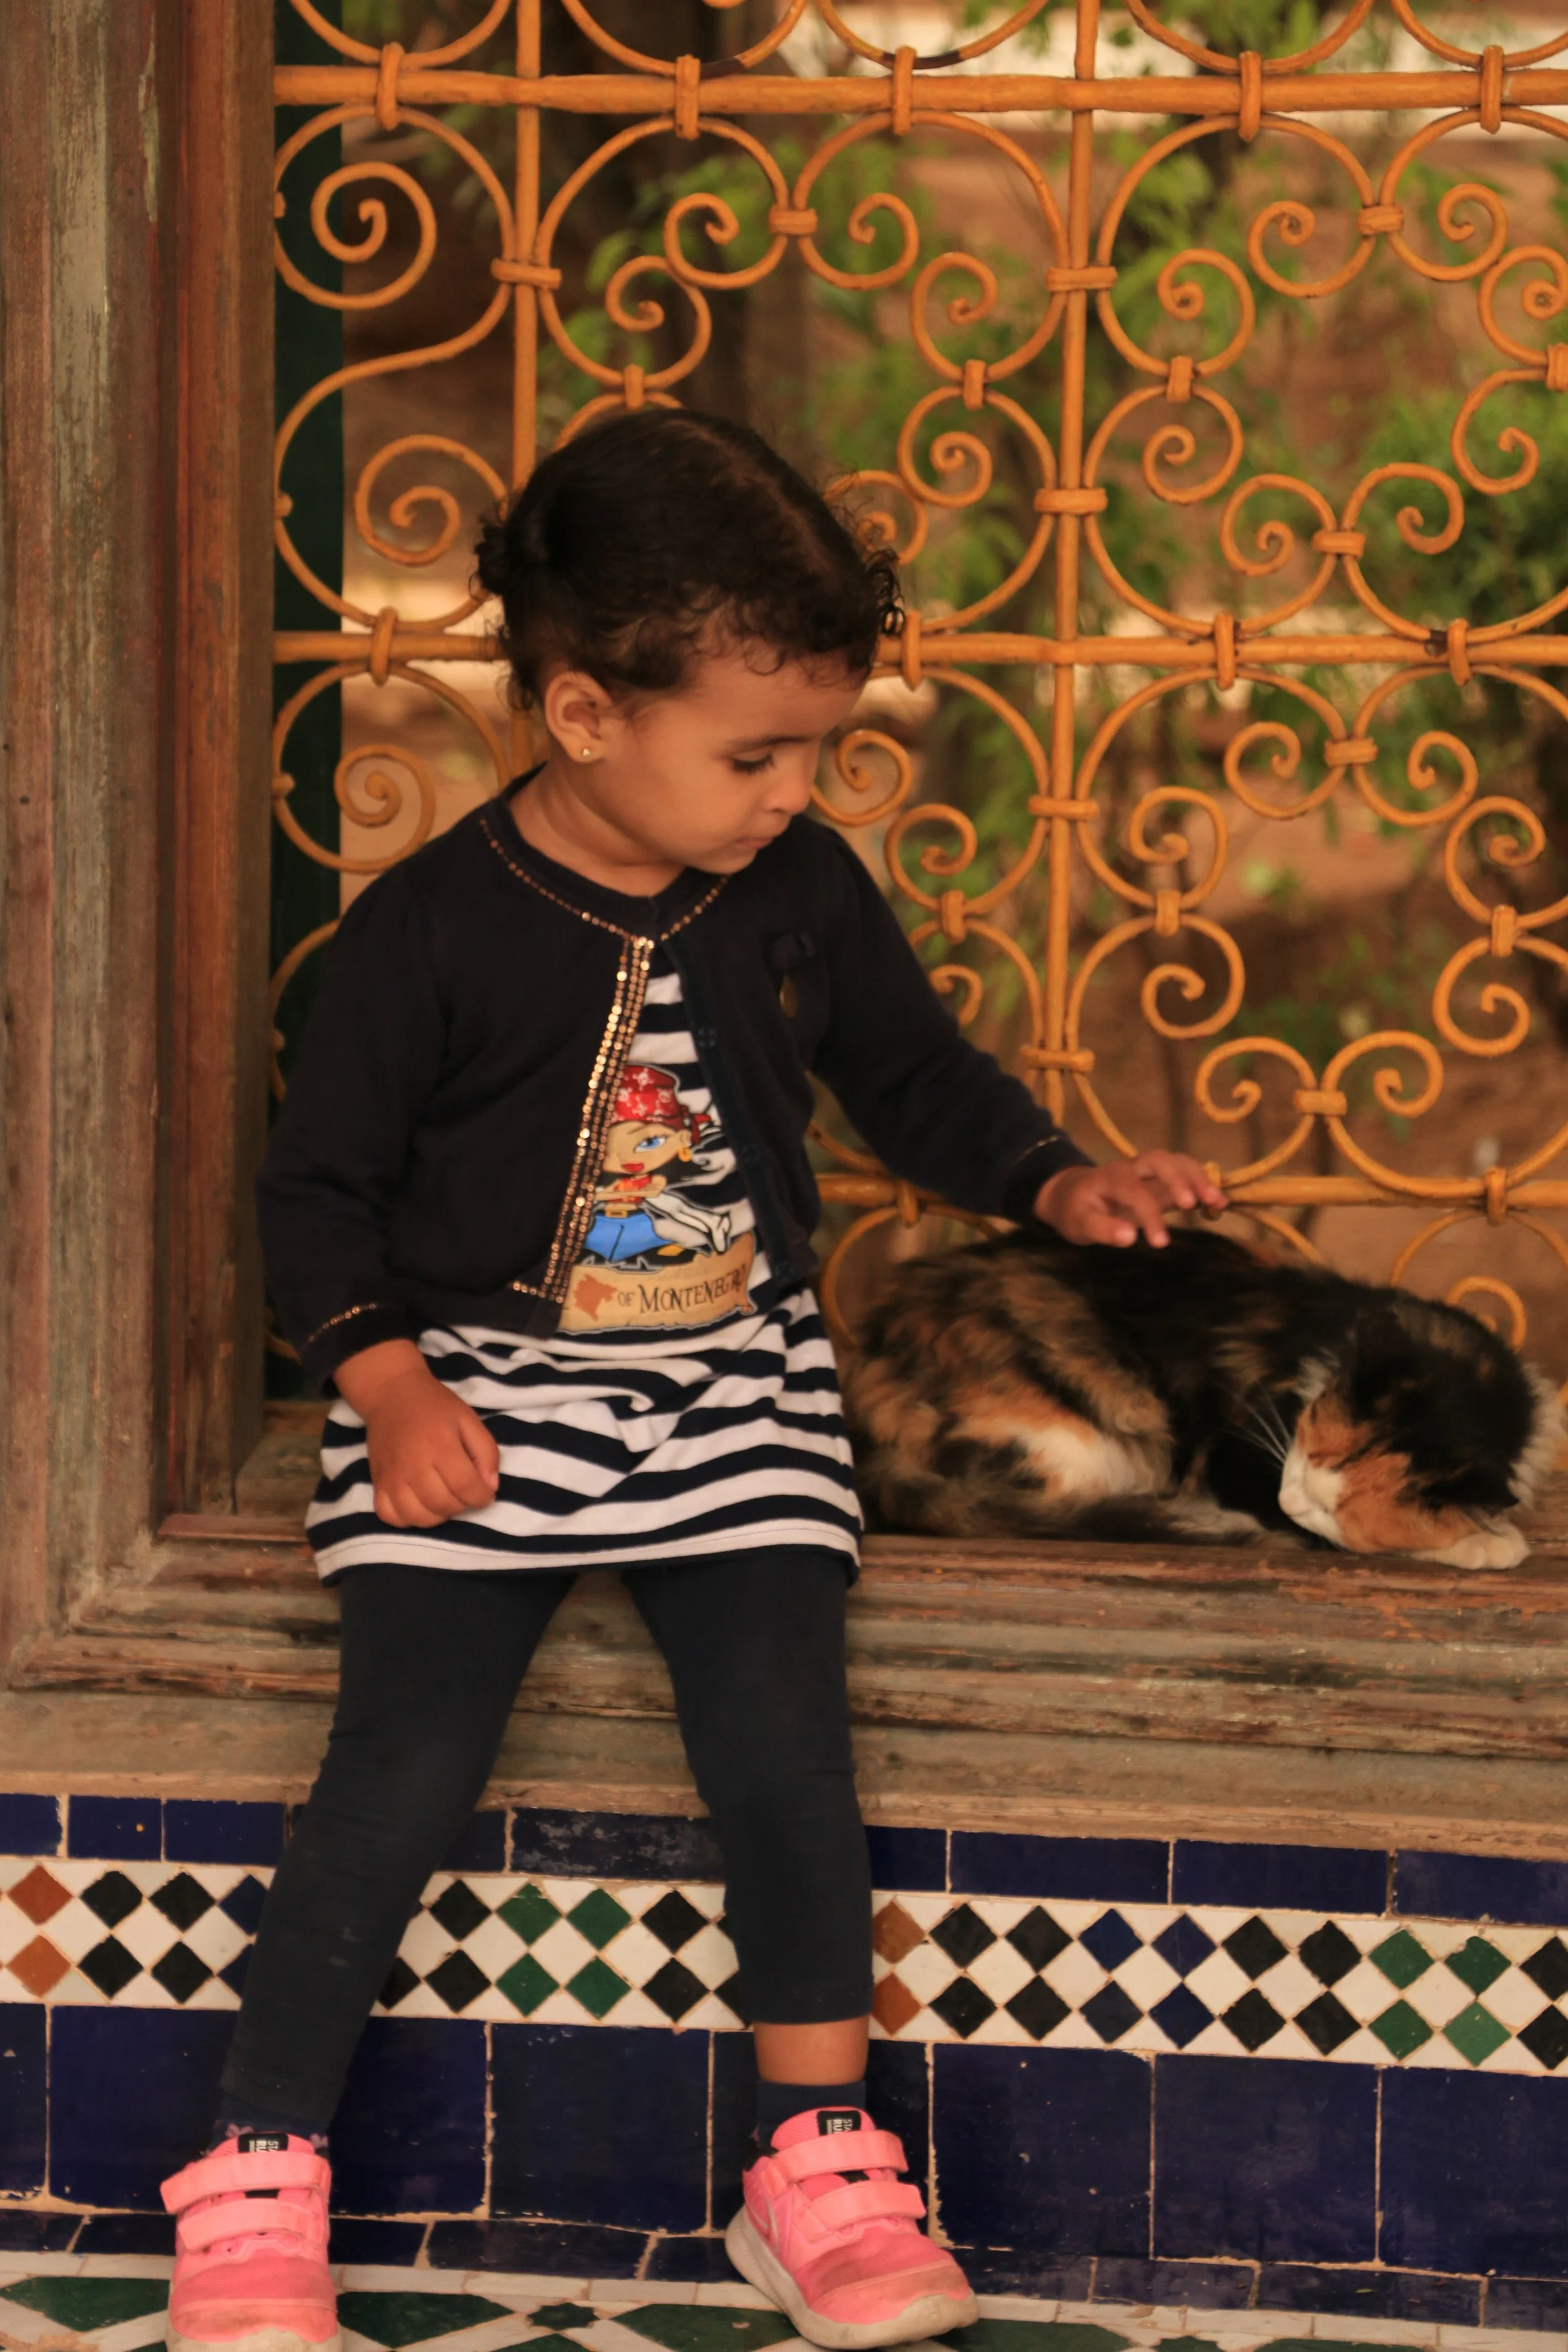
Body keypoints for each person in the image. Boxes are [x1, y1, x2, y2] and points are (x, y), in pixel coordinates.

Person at [159, 409, 1224, 2352]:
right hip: (471, 1387)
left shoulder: (795, 888)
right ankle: (251, 2176)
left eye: (813, 745)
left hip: (731, 1388)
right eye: (755, 751)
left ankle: (813, 2157)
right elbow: (313, 1194)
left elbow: (913, 1074)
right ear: (580, 712)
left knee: (785, 1760)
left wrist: (1057, 1175)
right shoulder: (425, 936)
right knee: (393, 1771)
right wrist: (383, 1381)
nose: (790, 790)